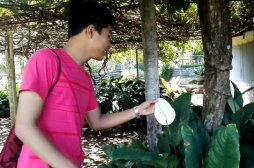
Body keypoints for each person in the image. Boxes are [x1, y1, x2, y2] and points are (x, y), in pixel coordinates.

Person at [14, 0, 156, 168]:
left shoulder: (85, 77)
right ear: (90, 31)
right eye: (108, 35)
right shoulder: (46, 60)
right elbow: (23, 126)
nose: (110, 44)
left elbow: (97, 122)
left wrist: (139, 110)